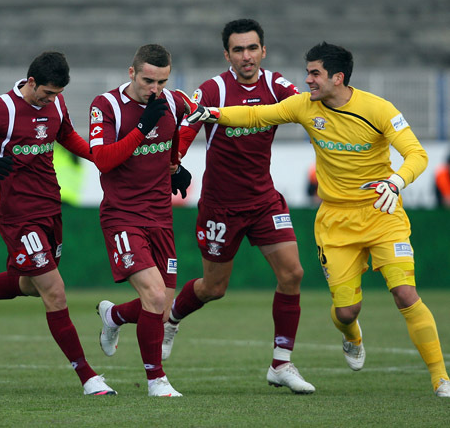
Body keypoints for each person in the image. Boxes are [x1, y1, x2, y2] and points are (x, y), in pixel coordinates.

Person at [184, 41, 450, 398]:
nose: (307, 80)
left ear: (337, 78)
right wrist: (214, 114)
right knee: (345, 311)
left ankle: (440, 379)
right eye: (307, 71)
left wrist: (395, 180)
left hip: (383, 214)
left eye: (314, 73)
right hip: (336, 222)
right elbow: (257, 115)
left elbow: (416, 154)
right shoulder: (305, 107)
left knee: (405, 293)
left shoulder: (379, 109)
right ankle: (351, 333)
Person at [0, 51, 116, 396]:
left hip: (50, 205)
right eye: (47, 93)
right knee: (54, 291)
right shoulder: (0, 108)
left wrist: (99, 158)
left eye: (57, 94)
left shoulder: (56, 103)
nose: (51, 100)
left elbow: (67, 135)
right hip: (19, 214)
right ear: (31, 82)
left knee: (27, 284)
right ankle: (88, 377)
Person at [162, 19, 314, 394]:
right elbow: (187, 128)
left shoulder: (278, 86)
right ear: (227, 54)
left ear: (263, 50)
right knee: (214, 288)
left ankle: (281, 363)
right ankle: (172, 319)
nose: (246, 56)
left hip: (263, 200)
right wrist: (175, 163)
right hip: (221, 206)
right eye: (238, 50)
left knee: (292, 273)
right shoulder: (214, 88)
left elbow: (309, 110)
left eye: (252, 48)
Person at [91, 44, 191, 397]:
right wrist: (141, 128)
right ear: (131, 73)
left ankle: (114, 317)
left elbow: (181, 129)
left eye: (162, 82)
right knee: (152, 293)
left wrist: (176, 164)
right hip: (123, 215)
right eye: (149, 80)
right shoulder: (107, 106)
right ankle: (156, 380)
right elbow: (102, 159)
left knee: (162, 308)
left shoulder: (173, 101)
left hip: (161, 216)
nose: (155, 90)